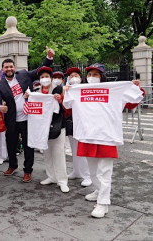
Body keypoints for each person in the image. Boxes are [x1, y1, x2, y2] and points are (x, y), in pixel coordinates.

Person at [63, 63, 144, 218]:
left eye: (96, 74)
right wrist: (65, 93)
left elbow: (132, 102)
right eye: (90, 74)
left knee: (104, 172)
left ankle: (103, 203)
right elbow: (68, 108)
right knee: (93, 172)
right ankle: (99, 191)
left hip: (106, 136)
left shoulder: (113, 90)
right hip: (87, 135)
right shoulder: (79, 91)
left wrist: (134, 88)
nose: (92, 77)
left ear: (102, 77)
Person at [0, 47, 54, 182]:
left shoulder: (24, 75)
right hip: (11, 119)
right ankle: (12, 165)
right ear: (2, 70)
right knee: (11, 144)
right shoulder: (0, 85)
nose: (9, 69)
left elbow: (40, 69)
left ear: (14, 68)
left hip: (28, 118)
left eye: (11, 66)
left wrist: (49, 58)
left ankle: (28, 170)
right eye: (6, 67)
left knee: (28, 145)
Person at [27, 67, 69, 193]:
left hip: (57, 126)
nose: (44, 79)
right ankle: (51, 176)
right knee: (47, 153)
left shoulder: (59, 90)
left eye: (46, 76)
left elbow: (66, 108)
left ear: (51, 78)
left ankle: (62, 180)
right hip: (41, 128)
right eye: (41, 77)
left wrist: (60, 100)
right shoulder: (36, 92)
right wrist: (27, 98)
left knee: (58, 154)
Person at [63, 67, 92, 187]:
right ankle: (76, 171)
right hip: (72, 123)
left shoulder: (86, 89)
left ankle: (87, 176)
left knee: (84, 150)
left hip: (84, 123)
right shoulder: (68, 90)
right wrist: (65, 92)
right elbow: (66, 108)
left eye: (76, 75)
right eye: (71, 76)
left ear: (81, 78)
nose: (73, 78)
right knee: (74, 149)